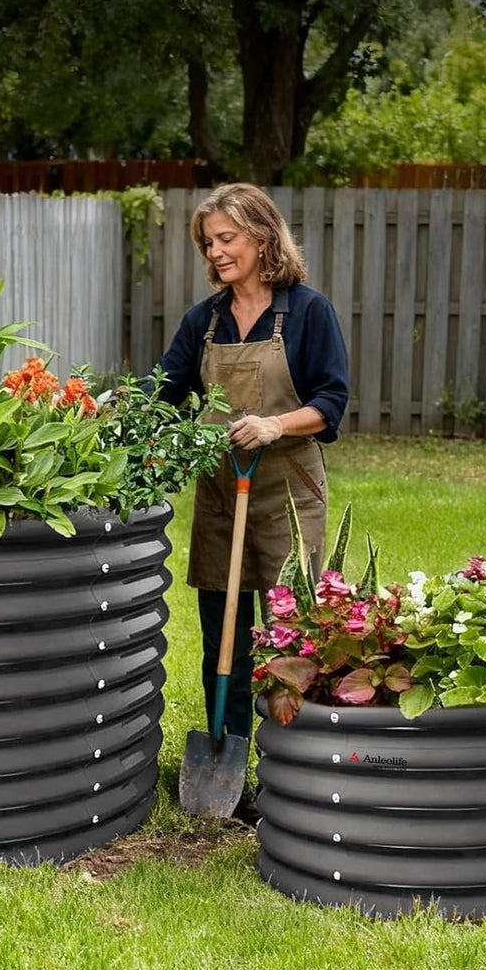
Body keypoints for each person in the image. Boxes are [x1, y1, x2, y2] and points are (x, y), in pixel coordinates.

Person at [158, 183, 350, 795]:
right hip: (221, 493)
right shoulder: (204, 321)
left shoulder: (307, 311)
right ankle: (229, 761)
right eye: (207, 242)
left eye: (226, 238)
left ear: (262, 237)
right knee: (224, 633)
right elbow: (164, 394)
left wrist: (273, 424)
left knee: (293, 631)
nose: (215, 252)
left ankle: (299, 765)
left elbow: (331, 401)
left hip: (285, 492)